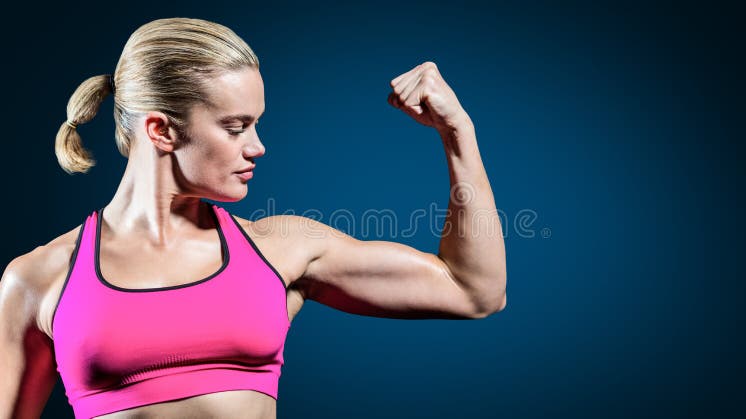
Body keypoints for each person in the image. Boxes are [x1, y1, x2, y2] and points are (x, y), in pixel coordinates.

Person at [0, 16, 507, 419]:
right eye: (235, 127)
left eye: (255, 125)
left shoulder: (280, 249)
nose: (258, 147)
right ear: (160, 130)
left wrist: (457, 133)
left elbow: (474, 291)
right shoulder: (40, 279)